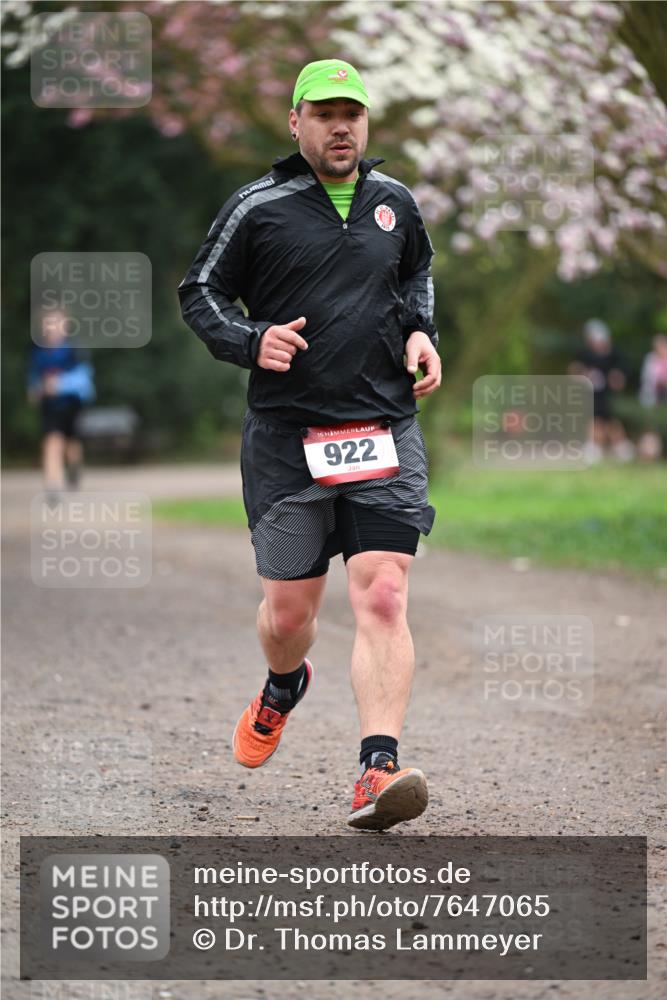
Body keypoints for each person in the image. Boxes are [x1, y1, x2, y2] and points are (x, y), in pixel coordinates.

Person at [179, 59, 441, 831]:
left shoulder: (395, 203)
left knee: (384, 593)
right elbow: (199, 292)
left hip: (380, 426)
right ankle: (282, 685)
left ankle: (376, 770)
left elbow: (417, 274)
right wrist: (249, 339)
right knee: (289, 617)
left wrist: (422, 331)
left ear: (366, 124)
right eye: (324, 113)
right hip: (289, 438)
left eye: (352, 114)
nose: (340, 126)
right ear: (294, 123)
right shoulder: (257, 206)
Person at [27, 307, 96, 503]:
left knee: (71, 446)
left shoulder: (75, 349)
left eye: (56, 323)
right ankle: (53, 485)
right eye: (48, 323)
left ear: (65, 326)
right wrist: (34, 388)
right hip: (50, 406)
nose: (52, 328)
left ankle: (73, 469)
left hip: (72, 405)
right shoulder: (37, 351)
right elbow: (33, 376)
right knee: (52, 442)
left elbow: (85, 378)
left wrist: (60, 384)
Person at [568, 318, 634, 463]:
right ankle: (594, 448)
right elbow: (574, 371)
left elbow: (622, 373)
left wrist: (618, 377)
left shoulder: (614, 355)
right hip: (590, 394)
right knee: (594, 419)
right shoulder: (584, 354)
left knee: (609, 420)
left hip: (608, 395)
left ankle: (621, 447)